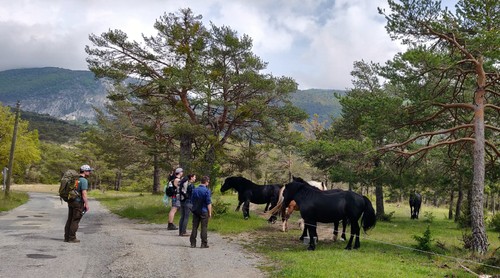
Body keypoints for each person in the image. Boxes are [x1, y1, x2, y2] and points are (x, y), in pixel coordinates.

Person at [64, 164, 91, 243]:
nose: (89, 172)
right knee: (75, 220)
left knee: (70, 219)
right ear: (84, 171)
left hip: (71, 201)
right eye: (88, 171)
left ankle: (67, 237)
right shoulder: (84, 180)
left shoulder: (75, 179)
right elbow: (84, 193)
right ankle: (72, 238)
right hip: (78, 202)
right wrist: (86, 204)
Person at [190, 176, 212, 248]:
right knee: (204, 227)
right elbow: (208, 203)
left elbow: (192, 201)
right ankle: (203, 243)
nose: (208, 183)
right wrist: (210, 212)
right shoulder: (207, 191)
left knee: (194, 227)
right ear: (206, 182)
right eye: (208, 182)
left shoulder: (195, 190)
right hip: (204, 210)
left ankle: (193, 243)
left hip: (196, 210)